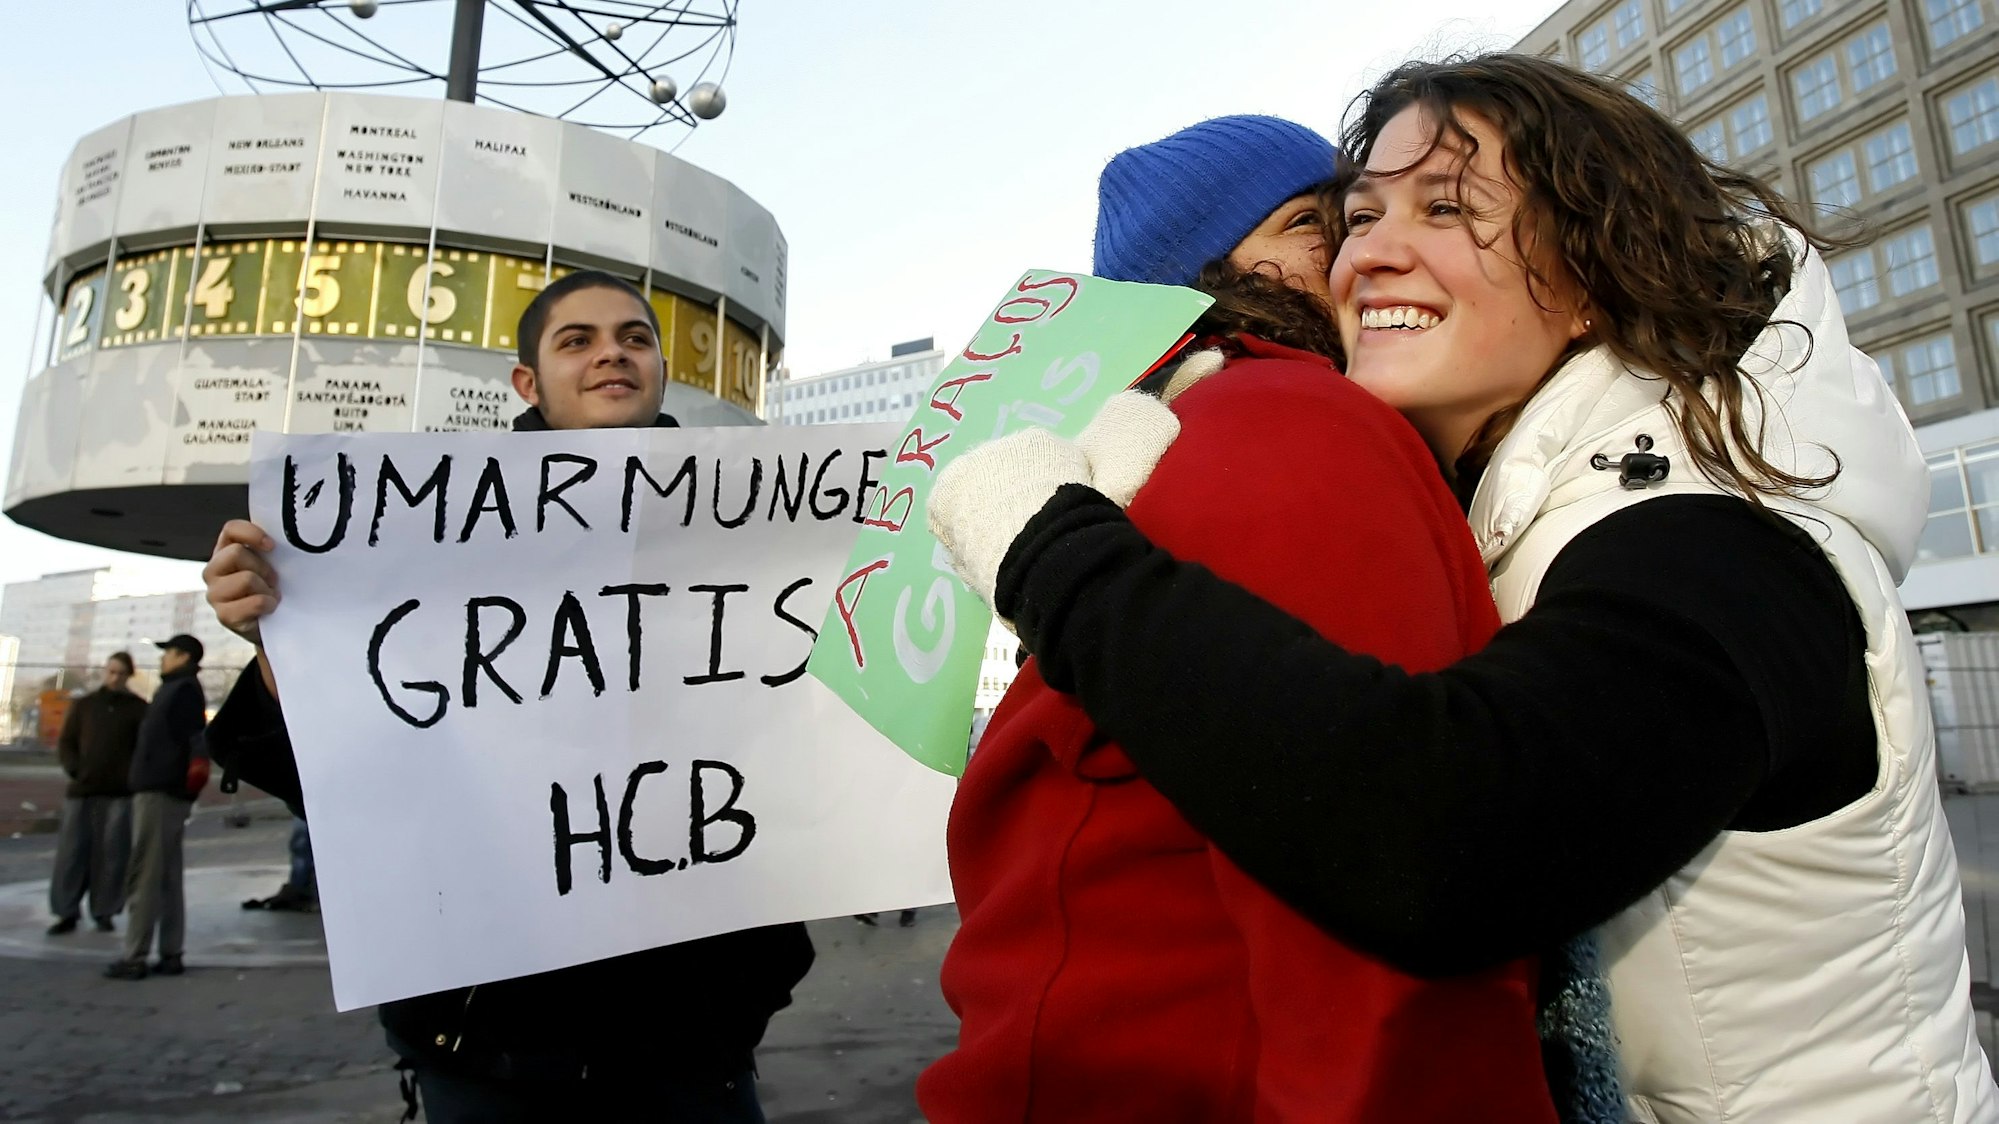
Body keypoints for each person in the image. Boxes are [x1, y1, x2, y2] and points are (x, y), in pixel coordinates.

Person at [928, 56, 1999, 1122]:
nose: (1366, 254)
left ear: (1591, 269)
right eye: (1355, 215)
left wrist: (1053, 552)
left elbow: (1449, 839)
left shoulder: (1721, 539)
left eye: (1447, 207)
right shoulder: (1520, 510)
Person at [917, 116, 1561, 1123]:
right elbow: (1372, 873)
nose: (1354, 253)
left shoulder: (1168, 438)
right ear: (1210, 270)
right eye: (1317, 222)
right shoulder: (1291, 416)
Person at [200, 270, 813, 1123]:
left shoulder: (753, 532)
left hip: (695, 1033)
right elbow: (351, 778)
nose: (612, 354)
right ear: (527, 381)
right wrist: (283, 644)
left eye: (635, 338)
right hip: (491, 1044)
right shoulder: (426, 532)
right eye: (578, 340)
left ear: (660, 369)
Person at [106, 635, 208, 980]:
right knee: (165, 874)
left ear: (183, 656)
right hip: (168, 789)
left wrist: (186, 774)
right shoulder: (180, 689)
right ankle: (170, 951)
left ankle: (135, 954)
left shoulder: (180, 690)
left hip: (161, 791)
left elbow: (193, 738)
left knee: (146, 872)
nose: (163, 659)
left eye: (168, 653)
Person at [48, 651, 145, 935]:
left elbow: (143, 749)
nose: (115, 677)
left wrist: (131, 778)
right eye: (111, 671)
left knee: (113, 854)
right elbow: (67, 741)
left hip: (119, 793)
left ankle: (105, 910)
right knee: (71, 853)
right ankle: (66, 911)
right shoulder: (85, 705)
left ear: (129, 675)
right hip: (83, 790)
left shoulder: (139, 709)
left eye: (121, 673)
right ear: (105, 671)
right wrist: (76, 769)